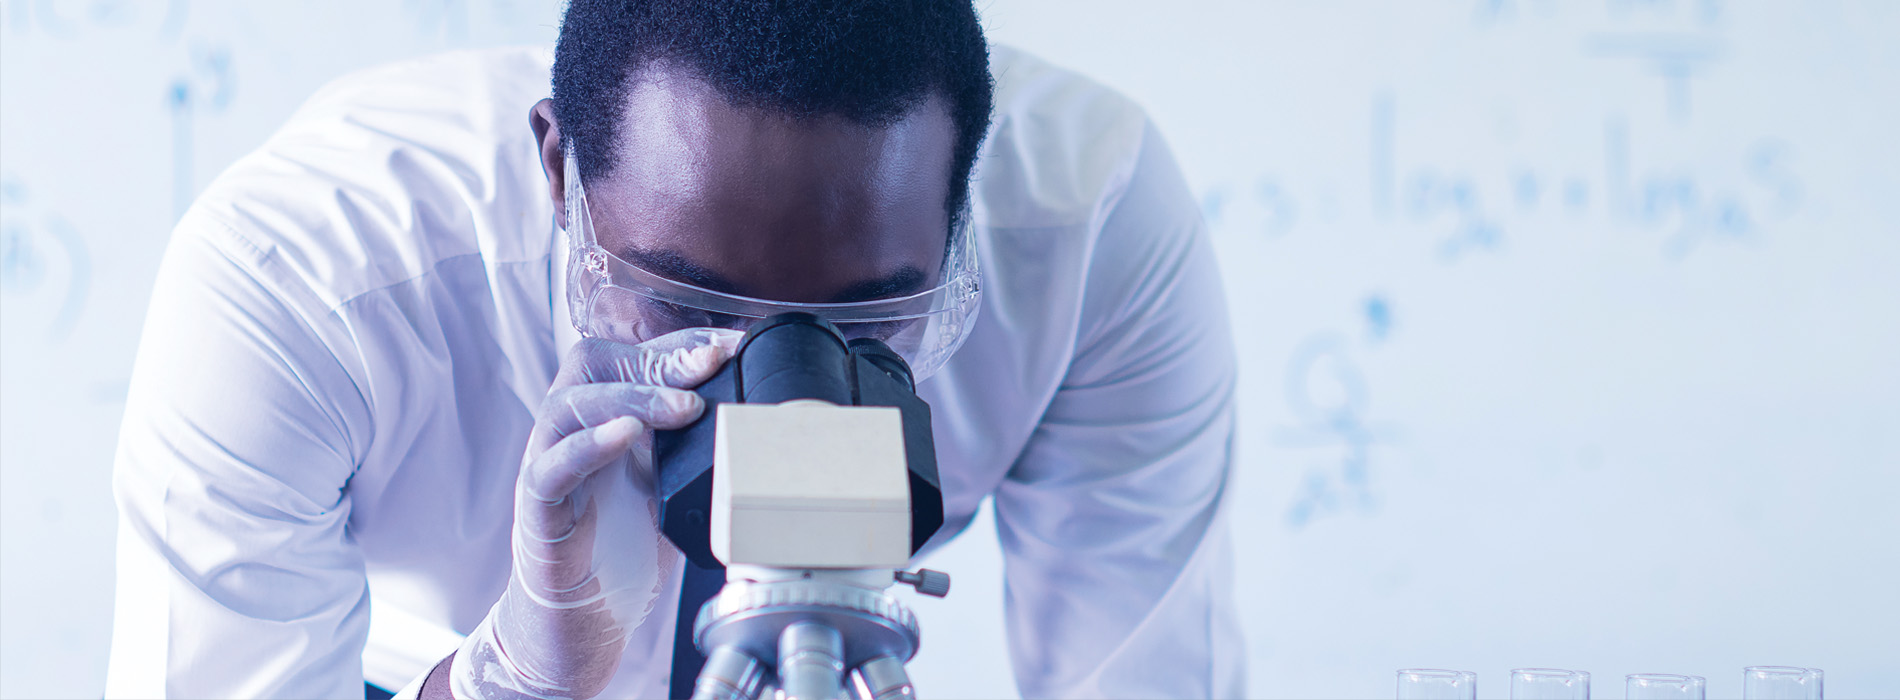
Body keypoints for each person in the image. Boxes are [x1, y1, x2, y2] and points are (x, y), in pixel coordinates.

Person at [105, 1, 1242, 697]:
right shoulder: (304, 277)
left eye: (861, 322)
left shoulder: (1093, 225)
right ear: (559, 174)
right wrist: (513, 677)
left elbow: (1141, 678)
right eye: (689, 297)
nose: (767, 404)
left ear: (959, 210)